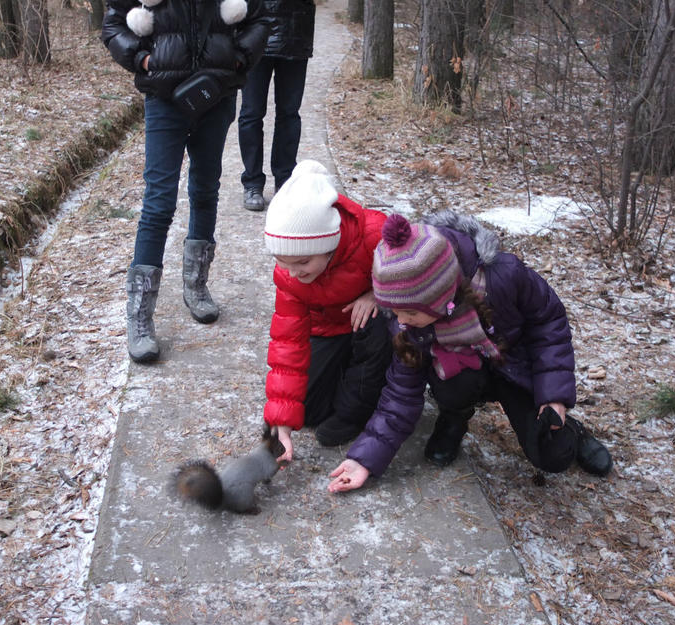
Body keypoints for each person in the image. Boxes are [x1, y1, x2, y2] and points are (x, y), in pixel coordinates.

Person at [328, 212, 614, 493]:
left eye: (410, 311)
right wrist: (362, 459)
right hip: (463, 375)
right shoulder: (408, 326)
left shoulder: (503, 276)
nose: (400, 319)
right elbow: (400, 394)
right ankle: (455, 417)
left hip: (515, 366)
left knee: (553, 454)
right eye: (394, 309)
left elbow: (548, 321)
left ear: (440, 298)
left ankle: (573, 431)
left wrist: (553, 396)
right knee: (453, 387)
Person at [102, 0, 269, 363]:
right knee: (159, 201)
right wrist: (144, 59)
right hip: (164, 98)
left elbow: (259, 20)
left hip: (216, 93)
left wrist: (237, 58)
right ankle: (140, 315)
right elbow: (114, 25)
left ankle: (196, 286)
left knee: (206, 190)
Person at [262, 160, 392, 462]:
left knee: (378, 327)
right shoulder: (289, 276)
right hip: (329, 331)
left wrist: (377, 294)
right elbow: (287, 342)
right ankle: (344, 371)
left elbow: (419, 271)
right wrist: (281, 423)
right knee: (306, 412)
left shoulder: (374, 235)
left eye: (303, 263)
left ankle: (355, 412)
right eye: (283, 262)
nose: (293, 273)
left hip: (371, 326)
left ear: (329, 243)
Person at [238, 0, 316, 211]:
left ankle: (284, 182)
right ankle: (252, 183)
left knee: (289, 114)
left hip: (296, 32)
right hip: (255, 32)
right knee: (251, 113)